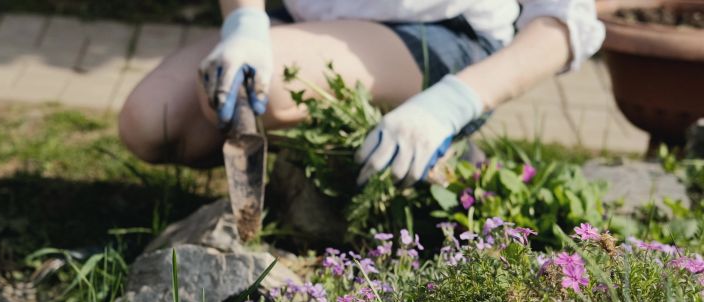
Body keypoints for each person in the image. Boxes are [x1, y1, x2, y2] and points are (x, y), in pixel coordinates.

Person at [119, 0, 603, 187]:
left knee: (274, 89)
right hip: (306, 22)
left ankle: (438, 137)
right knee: (150, 121)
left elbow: (562, 24)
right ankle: (325, 159)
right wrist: (243, 23)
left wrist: (453, 102)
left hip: (445, 37)